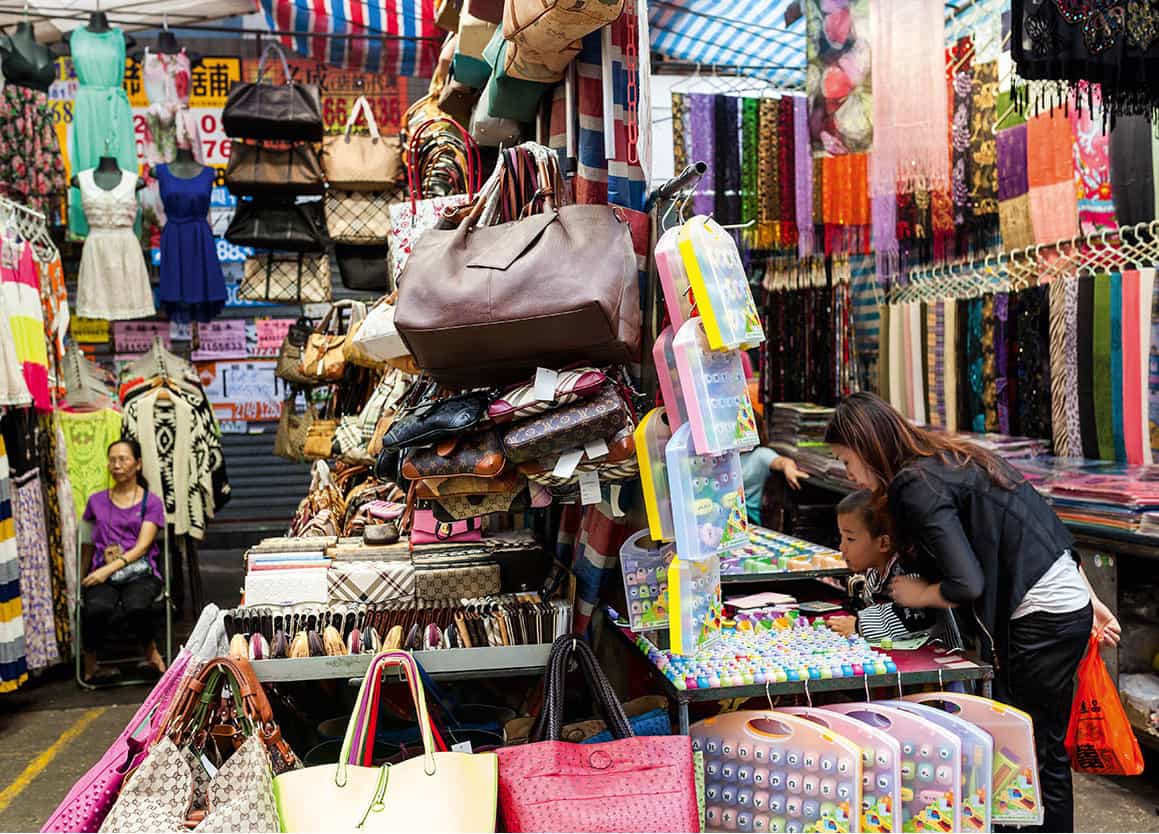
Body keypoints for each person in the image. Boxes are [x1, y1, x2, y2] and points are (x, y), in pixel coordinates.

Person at [824, 391, 1120, 834]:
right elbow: (1036, 522)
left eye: (846, 461)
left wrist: (920, 594)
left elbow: (968, 583)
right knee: (1044, 749)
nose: (848, 473)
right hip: (1061, 602)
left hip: (1039, 616)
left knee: (1026, 750)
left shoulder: (914, 483)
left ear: (867, 448)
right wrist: (1087, 597)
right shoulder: (948, 456)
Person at [80, 438, 167, 680]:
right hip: (102, 571)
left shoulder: (151, 502)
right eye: (112, 460)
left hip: (139, 573)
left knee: (137, 606)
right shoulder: (96, 501)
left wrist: (106, 571)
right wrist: (82, 576)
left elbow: (142, 547)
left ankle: (152, 655)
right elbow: (87, 543)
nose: (117, 465)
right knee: (96, 608)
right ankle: (90, 666)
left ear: (137, 464)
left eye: (123, 459)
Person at [827, 489, 937, 643]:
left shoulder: (907, 571)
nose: (841, 547)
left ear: (884, 543)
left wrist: (859, 626)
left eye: (850, 539)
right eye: (842, 537)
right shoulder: (874, 569)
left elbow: (913, 618)